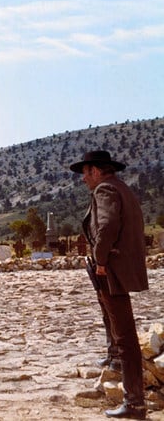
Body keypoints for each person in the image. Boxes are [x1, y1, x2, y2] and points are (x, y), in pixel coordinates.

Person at [70, 151, 148, 420]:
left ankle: (134, 403)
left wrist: (101, 260)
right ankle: (123, 379)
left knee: (125, 336)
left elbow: (108, 225)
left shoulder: (105, 189)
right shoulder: (122, 187)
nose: (83, 179)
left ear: (95, 171)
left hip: (112, 270)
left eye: (85, 172)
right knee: (120, 330)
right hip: (121, 268)